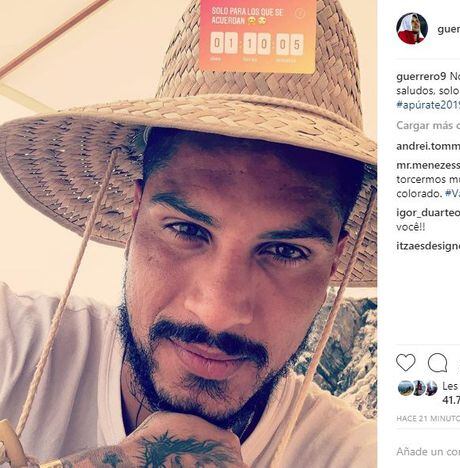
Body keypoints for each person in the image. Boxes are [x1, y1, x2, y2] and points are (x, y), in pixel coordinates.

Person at [0, 0, 377, 467]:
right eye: (186, 229)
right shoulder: (15, 345)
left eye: (284, 251)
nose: (217, 312)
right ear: (134, 215)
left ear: (335, 264)